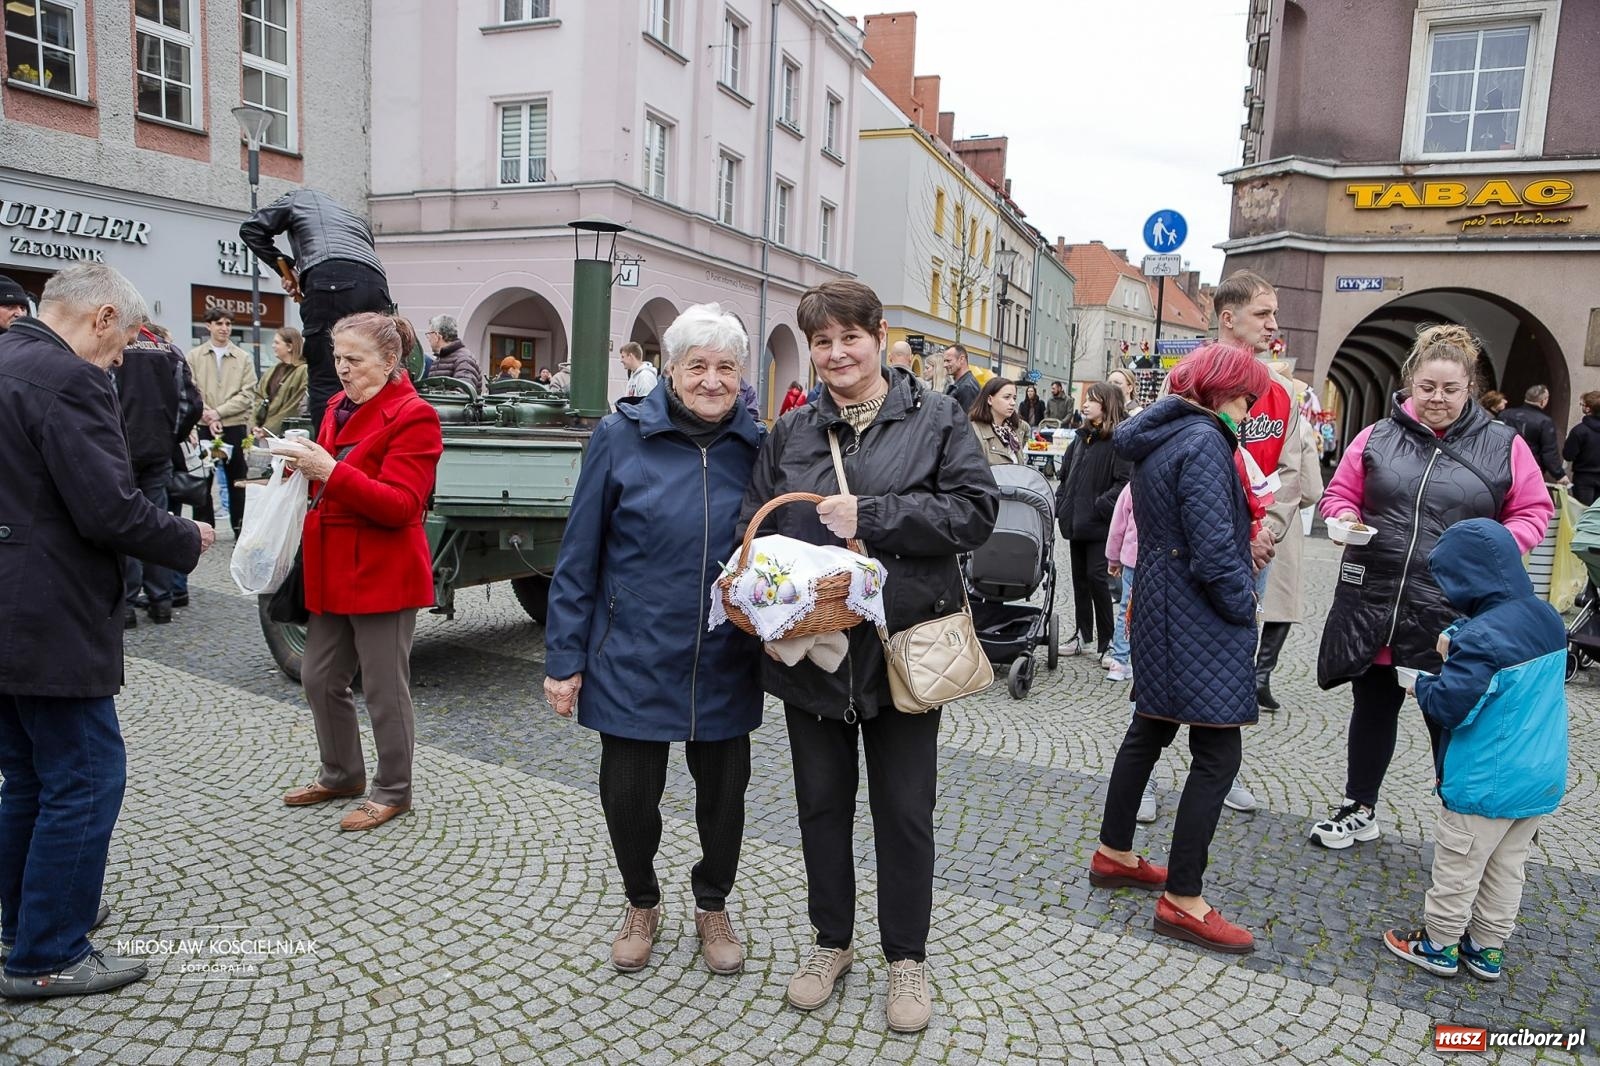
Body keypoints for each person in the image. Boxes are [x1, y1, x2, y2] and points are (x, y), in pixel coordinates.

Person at [739, 279, 997, 1033]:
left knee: (905, 812)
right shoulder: (791, 433)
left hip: (901, 650)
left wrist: (876, 515)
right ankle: (831, 943)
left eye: (850, 337)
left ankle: (906, 959)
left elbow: (976, 514)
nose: (836, 354)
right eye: (822, 342)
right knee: (821, 807)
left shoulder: (937, 417)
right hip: (812, 654)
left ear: (880, 336)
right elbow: (760, 527)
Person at [0, 263, 214, 999]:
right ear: (98, 319)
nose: (122, 357)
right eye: (122, 340)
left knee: (26, 775)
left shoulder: (5, 359)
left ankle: (25, 923)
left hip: (8, 607)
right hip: (49, 610)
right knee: (86, 778)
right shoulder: (71, 379)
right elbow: (109, 509)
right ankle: (49, 953)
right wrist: (188, 540)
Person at [544, 304, 763, 976]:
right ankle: (642, 900)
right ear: (671, 369)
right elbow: (578, 552)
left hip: (724, 653)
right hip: (632, 649)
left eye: (725, 367)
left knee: (724, 798)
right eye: (697, 365)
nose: (712, 380)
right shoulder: (620, 436)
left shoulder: (757, 445)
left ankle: (712, 901)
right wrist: (564, 660)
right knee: (630, 796)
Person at [1311, 325, 1553, 849]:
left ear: (1470, 388)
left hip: (1452, 611)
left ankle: (1460, 817)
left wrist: (1499, 549)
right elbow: (1339, 494)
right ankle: (1360, 806)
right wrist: (1342, 516)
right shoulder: (1375, 436)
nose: (1437, 399)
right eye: (1426, 388)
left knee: (1453, 717)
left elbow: (1535, 510)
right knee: (1372, 706)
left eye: (1449, 389)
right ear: (1409, 385)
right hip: (1376, 601)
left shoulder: (1502, 445)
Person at [1088, 343, 1271, 955]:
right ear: (1221, 391)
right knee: (1217, 751)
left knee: (1150, 726)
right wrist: (1244, 606)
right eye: (1246, 398)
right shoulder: (1204, 442)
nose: (1249, 411)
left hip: (1160, 600)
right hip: (1197, 609)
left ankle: (1115, 851)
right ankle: (1184, 900)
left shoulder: (1162, 435)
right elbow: (1216, 550)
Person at [276, 313, 444, 832]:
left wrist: (329, 471)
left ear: (390, 362)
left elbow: (401, 504)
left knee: (383, 688)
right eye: (337, 358)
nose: (342, 370)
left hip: (382, 571)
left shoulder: (414, 416)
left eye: (355, 360)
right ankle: (342, 772)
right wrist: (297, 466)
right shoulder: (336, 405)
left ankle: (393, 789)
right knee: (319, 675)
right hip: (332, 568)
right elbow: (328, 481)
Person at [1383, 519, 1567, 982]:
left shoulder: (1480, 639)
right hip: (1538, 777)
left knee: (1459, 866)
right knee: (1508, 867)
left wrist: (1424, 684)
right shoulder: (1547, 618)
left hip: (1485, 778)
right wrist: (1460, 645)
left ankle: (1438, 945)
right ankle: (1487, 949)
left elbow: (1451, 706)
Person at [1212, 270, 1302, 812]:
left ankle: (1225, 774)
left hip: (1256, 548)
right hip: (1196, 549)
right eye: (1263, 314)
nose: (1274, 324)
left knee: (1238, 661)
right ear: (1229, 318)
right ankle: (1145, 779)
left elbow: (1291, 474)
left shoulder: (1284, 393)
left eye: (1274, 313)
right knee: (1168, 653)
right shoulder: (1191, 380)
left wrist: (1262, 534)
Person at [239, 187, 392, 432]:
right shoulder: (354, 219)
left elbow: (252, 229)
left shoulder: (300, 197)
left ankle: (328, 456)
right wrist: (296, 276)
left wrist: (288, 269)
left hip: (329, 278)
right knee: (372, 371)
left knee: (327, 375)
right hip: (376, 284)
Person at [112, 319, 202, 626]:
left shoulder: (116, 350)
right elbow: (191, 404)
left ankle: (125, 604)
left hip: (121, 452)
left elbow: (103, 401)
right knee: (158, 522)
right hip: (158, 451)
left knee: (124, 524)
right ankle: (161, 600)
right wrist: (172, 437)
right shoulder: (171, 353)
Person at [1055, 381, 1131, 659]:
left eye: (1093, 400)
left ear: (1107, 405)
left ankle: (1107, 641)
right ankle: (1083, 635)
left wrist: (1100, 506)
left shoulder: (1118, 440)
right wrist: (1062, 504)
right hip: (1076, 523)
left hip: (1100, 525)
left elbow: (1124, 483)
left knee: (1098, 579)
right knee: (1079, 581)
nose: (1085, 404)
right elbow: (1064, 476)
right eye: (1086, 399)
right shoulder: (1080, 437)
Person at [1255, 415, 1324, 711]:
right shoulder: (1299, 423)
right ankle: (1260, 677)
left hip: (1240, 515)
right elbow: (1310, 490)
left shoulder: (1235, 412)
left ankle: (1234, 674)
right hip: (1280, 521)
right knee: (1281, 604)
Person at [185, 309, 257, 538]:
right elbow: (189, 388)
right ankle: (203, 529)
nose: (224, 328)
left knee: (237, 480)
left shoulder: (242, 357)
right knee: (203, 481)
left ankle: (239, 527)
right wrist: (207, 414)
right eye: (219, 323)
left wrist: (218, 413)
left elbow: (247, 393)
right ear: (208, 326)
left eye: (228, 323)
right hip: (204, 427)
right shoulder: (194, 356)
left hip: (233, 426)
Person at [248, 327, 309, 439]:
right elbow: (258, 397)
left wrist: (268, 429)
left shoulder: (303, 371)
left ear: (289, 346)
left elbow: (293, 406)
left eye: (277, 343)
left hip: (285, 434)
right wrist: (254, 424)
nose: (273, 346)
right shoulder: (272, 370)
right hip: (263, 432)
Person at [1500, 384, 1567, 484]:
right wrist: (1559, 475)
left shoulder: (1505, 415)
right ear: (1543, 400)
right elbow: (1549, 453)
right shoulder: (1545, 422)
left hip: (1503, 465)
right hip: (1529, 470)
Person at [969, 377, 1024, 465]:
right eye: (1007, 397)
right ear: (990, 400)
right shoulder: (974, 431)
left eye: (1014, 398)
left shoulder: (1014, 431)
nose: (1013, 402)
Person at [425, 314, 485, 392]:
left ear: (437, 335)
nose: (428, 338)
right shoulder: (440, 358)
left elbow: (463, 394)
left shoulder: (464, 360)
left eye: (429, 334)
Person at [1562, 390, 1600, 505]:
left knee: (1582, 513)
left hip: (1583, 478)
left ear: (1588, 409)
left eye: (1582, 404)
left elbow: (1568, 455)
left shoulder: (1579, 430)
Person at [942, 343, 980, 414]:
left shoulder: (967, 387)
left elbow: (965, 420)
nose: (945, 365)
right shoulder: (963, 383)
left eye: (948, 361)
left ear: (961, 359)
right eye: (944, 361)